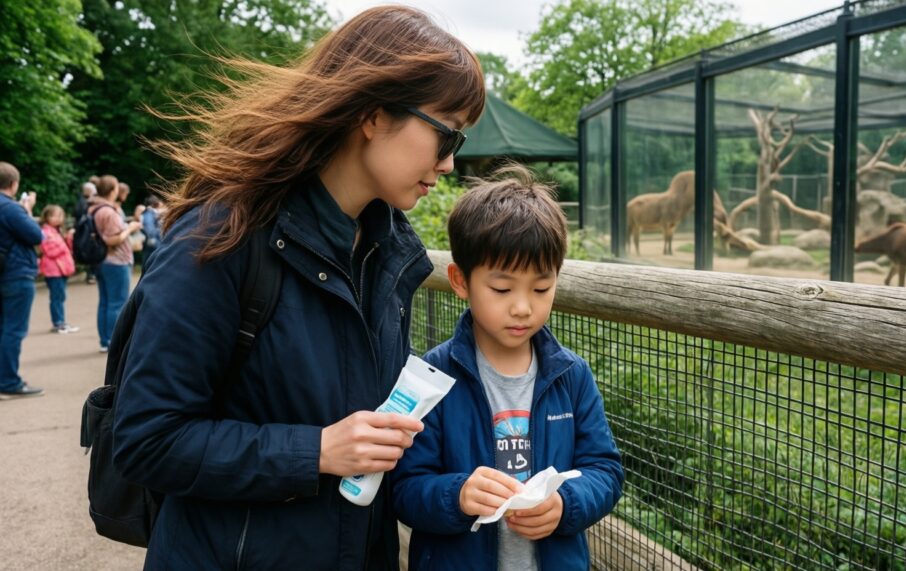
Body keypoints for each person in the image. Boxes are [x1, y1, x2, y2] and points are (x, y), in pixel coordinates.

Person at [110, 7, 485, 569]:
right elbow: (147, 439)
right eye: (446, 132)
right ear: (374, 114)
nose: (451, 162)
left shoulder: (389, 251)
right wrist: (314, 453)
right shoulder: (222, 235)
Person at [392, 166, 624, 570]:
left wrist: (565, 504)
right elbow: (406, 487)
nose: (522, 307)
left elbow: (604, 470)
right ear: (460, 281)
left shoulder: (572, 375)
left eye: (541, 288)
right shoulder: (433, 377)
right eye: (501, 289)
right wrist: (458, 495)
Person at [0, 162, 44, 399]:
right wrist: (27, 209)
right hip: (16, 274)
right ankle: (8, 381)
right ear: (14, 184)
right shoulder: (11, 208)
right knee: (14, 330)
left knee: (3, 328)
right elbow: (36, 235)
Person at [91, 175, 140, 352]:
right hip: (116, 261)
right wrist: (130, 229)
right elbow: (112, 240)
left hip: (100, 261)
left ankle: (105, 340)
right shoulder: (109, 212)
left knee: (105, 302)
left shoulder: (93, 208)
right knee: (117, 304)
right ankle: (114, 343)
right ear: (113, 190)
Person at [38, 205, 80, 334]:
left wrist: (68, 239)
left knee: (60, 296)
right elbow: (48, 250)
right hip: (53, 270)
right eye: (54, 216)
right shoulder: (45, 232)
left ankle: (61, 321)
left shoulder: (56, 231)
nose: (57, 218)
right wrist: (62, 245)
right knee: (57, 297)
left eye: (60, 216)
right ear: (46, 217)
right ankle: (58, 323)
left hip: (60, 269)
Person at [74, 181, 98, 283]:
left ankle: (91, 274)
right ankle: (91, 274)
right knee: (92, 252)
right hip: (86, 232)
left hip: (84, 232)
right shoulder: (85, 202)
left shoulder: (81, 201)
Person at [139, 195, 163, 268]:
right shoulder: (149, 213)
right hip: (153, 246)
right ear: (157, 203)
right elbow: (150, 231)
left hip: (154, 246)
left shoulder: (152, 213)